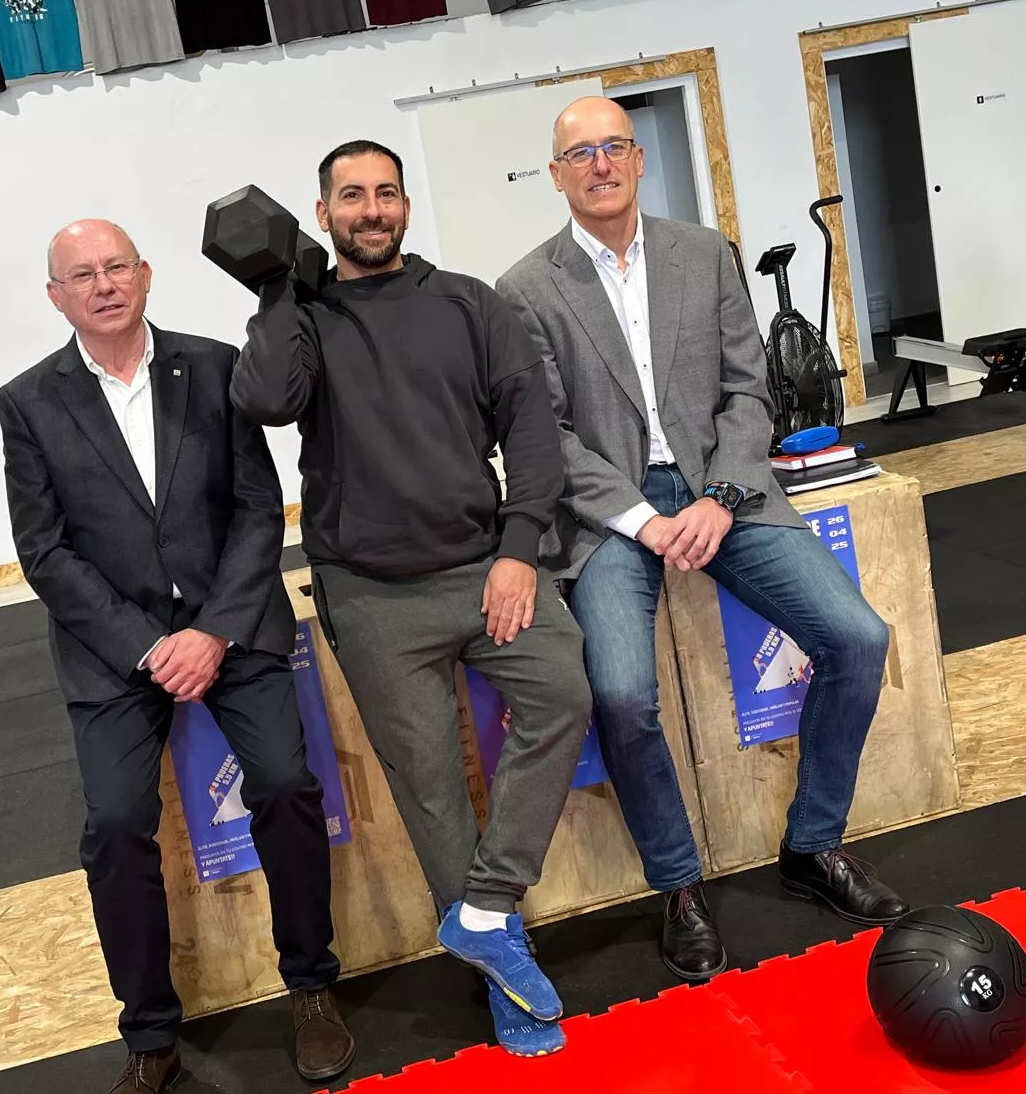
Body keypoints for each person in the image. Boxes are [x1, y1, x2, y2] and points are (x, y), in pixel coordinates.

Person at [495, 97, 908, 985]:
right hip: (609, 514)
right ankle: (679, 885)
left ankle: (813, 846)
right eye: (580, 154)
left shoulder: (703, 254)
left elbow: (747, 391)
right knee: (621, 691)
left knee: (860, 637)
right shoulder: (525, 289)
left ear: (638, 160)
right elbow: (548, 437)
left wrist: (721, 495)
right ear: (557, 174)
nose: (600, 164)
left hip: (726, 492)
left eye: (613, 147)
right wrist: (643, 519)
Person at [230, 142, 593, 1058]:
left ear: (404, 205)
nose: (372, 209)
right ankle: (507, 979)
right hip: (372, 595)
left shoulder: (470, 302)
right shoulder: (304, 318)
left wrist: (518, 551)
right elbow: (269, 401)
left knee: (565, 695)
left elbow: (531, 432)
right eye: (351, 195)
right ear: (322, 214)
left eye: (386, 192)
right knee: (433, 794)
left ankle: (485, 910)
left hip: (485, 568)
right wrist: (277, 288)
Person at [0, 220, 354, 1092]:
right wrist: (150, 646)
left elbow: (256, 507)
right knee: (115, 826)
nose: (103, 284)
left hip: (230, 629)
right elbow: (44, 551)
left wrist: (214, 632)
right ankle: (150, 1034)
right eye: (81, 275)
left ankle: (311, 985)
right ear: (57, 297)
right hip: (114, 652)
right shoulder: (27, 400)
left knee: (284, 784)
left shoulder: (216, 363)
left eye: (117, 266)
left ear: (147, 275)